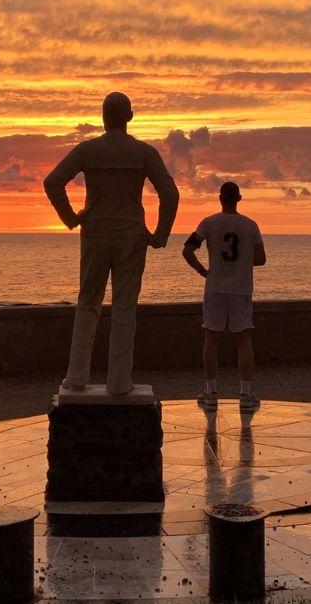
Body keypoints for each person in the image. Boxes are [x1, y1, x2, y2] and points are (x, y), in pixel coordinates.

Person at [43, 92, 180, 396]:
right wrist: (160, 235)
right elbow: (170, 195)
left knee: (87, 304)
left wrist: (72, 217)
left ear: (104, 117)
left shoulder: (88, 150)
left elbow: (52, 182)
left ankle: (76, 379)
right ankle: (119, 383)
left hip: (95, 235)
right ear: (129, 117)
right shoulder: (144, 153)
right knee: (124, 309)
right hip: (131, 237)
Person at [182, 181, 266, 410]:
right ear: (238, 199)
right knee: (244, 340)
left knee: (211, 339)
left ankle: (210, 393)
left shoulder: (209, 223)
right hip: (241, 289)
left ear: (220, 198)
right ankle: (246, 395)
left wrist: (203, 271)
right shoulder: (250, 226)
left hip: (215, 287)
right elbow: (261, 259)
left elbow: (187, 250)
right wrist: (242, 263)